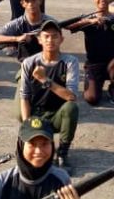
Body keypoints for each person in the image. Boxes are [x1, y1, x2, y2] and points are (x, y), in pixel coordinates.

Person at [16, 19, 80, 168]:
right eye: (46, 36)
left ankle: (63, 152)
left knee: (71, 107)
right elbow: (24, 96)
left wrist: (45, 79)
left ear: (61, 39)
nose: (50, 40)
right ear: (39, 39)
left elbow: (71, 96)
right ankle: (34, 137)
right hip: (36, 113)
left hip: (57, 114)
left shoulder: (70, 62)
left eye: (55, 36)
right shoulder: (29, 63)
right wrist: (28, 125)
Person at [69, 0, 114, 106]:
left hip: (111, 64)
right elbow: (68, 26)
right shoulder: (89, 19)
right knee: (92, 99)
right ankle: (94, 83)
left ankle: (113, 87)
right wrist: (90, 21)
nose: (102, 0)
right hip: (94, 65)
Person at [0, 0, 54, 67]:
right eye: (27, 1)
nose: (31, 4)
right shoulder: (18, 24)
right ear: (22, 4)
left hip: (48, 65)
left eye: (33, 0)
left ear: (40, 0)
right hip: (26, 67)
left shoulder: (49, 22)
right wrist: (17, 39)